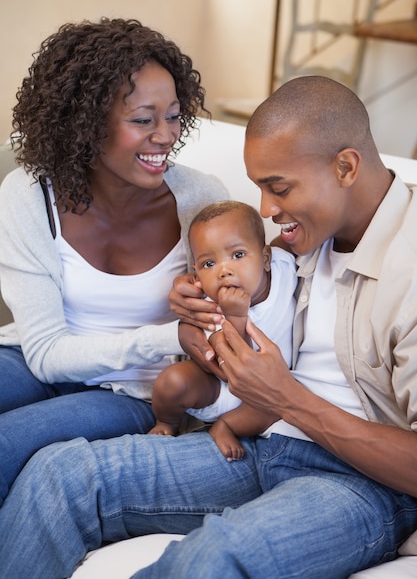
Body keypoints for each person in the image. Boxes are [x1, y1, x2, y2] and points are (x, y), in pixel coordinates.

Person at [1, 75, 417, 579]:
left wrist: (286, 399)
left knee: (212, 559)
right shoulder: (301, 240)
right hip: (251, 444)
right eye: (260, 187)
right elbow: (255, 292)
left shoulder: (407, 265)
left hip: (354, 482)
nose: (265, 209)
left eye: (277, 187)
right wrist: (201, 296)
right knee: (58, 476)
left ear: (345, 166)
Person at [0, 17, 229, 508]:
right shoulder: (27, 194)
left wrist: (210, 301)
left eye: (174, 116)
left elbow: (246, 305)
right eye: (144, 120)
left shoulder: (200, 199)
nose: (166, 135)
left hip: (133, 391)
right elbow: (44, 353)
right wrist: (169, 334)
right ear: (85, 122)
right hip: (37, 361)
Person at [149, 200, 296, 461]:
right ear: (195, 274)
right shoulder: (208, 308)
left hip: (269, 395)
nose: (224, 271)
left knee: (288, 403)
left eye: (238, 255)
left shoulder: (285, 266)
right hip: (221, 386)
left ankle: (225, 426)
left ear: (265, 258)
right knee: (171, 383)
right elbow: (235, 368)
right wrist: (235, 316)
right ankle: (167, 422)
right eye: (208, 264)